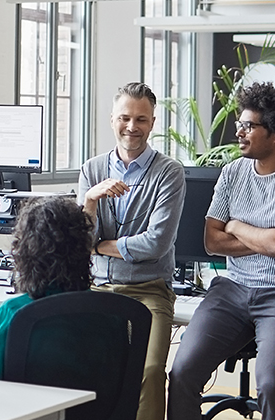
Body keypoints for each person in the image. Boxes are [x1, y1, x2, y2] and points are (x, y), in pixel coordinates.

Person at [167, 82, 275, 420]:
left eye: (248, 126)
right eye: (239, 124)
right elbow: (212, 241)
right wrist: (265, 236)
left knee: (270, 386)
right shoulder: (233, 172)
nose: (238, 132)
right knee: (182, 372)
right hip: (232, 290)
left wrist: (236, 226)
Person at [77, 82, 185, 420]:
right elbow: (81, 241)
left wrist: (102, 246)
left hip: (149, 290)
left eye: (141, 119)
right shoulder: (91, 170)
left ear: (152, 123)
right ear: (112, 120)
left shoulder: (169, 173)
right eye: (125, 118)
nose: (132, 127)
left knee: (150, 370)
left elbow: (157, 243)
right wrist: (91, 199)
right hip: (97, 289)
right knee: (85, 366)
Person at [0, 197, 95, 379]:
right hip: (94, 407)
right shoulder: (113, 313)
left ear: (25, 251)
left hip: (30, 407)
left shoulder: (14, 311)